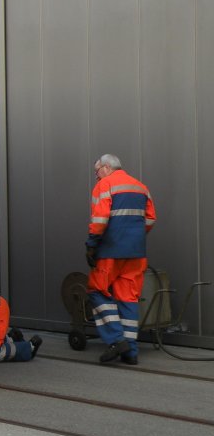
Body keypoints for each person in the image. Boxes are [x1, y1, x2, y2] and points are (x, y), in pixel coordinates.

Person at [85, 154, 156, 365]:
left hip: (110, 250)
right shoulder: (140, 186)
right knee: (128, 298)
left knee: (96, 291)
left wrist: (91, 245)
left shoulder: (104, 185)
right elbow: (151, 218)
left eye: (96, 171)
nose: (96, 176)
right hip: (136, 252)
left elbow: (99, 219)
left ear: (106, 168)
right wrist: (133, 236)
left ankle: (116, 340)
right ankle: (131, 352)